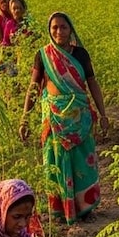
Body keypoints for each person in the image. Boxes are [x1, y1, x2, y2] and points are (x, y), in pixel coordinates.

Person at [19, 12, 109, 224]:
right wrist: (25, 117)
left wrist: (103, 113)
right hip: (54, 118)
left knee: (83, 162)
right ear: (49, 31)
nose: (59, 31)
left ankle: (84, 208)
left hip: (80, 118)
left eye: (63, 27)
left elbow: (92, 83)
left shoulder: (81, 54)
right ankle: (60, 209)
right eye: (54, 28)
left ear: (71, 30)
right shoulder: (43, 55)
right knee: (55, 162)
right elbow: (33, 87)